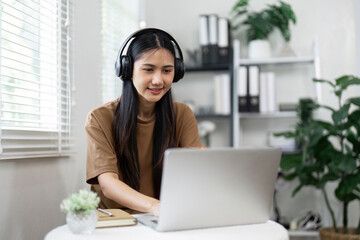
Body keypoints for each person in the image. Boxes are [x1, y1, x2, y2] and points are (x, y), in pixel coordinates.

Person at [85, 28, 203, 216]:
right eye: (148, 69)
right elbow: (108, 183)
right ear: (127, 70)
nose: (158, 80)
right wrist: (156, 207)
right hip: (118, 220)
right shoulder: (100, 118)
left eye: (167, 71)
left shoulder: (182, 114)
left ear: (177, 72)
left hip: (164, 216)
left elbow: (196, 169)